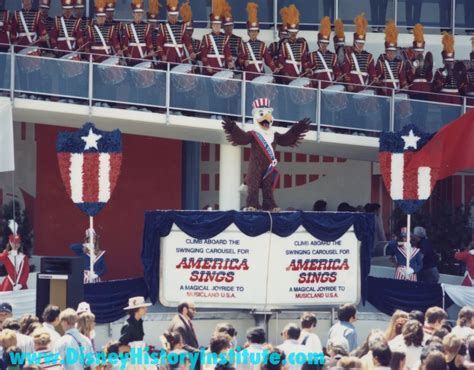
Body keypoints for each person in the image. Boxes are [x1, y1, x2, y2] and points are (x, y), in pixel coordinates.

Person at [238, 3, 278, 81]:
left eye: (255, 31)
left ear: (258, 32)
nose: (253, 33)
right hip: (248, 74)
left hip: (259, 73)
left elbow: (268, 59)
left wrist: (274, 68)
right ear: (248, 33)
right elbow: (240, 59)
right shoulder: (244, 45)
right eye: (251, 31)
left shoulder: (262, 45)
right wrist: (244, 62)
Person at [405, 24, 433, 129]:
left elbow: (429, 78)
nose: (419, 53)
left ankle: (422, 132)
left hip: (424, 90)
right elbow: (408, 78)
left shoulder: (426, 61)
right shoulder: (409, 62)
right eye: (417, 51)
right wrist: (413, 69)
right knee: (415, 113)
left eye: (421, 51)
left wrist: (430, 67)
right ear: (414, 51)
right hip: (415, 90)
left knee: (423, 113)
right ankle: (414, 131)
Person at [432, 32, 462, 125]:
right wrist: (444, 79)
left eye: (451, 62)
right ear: (443, 61)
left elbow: (461, 87)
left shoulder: (458, 71)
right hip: (444, 101)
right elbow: (435, 88)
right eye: (447, 62)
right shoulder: (439, 72)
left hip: (456, 101)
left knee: (455, 124)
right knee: (445, 123)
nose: (449, 64)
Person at [342, 14, 376, 93]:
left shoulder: (369, 56)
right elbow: (346, 71)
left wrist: (374, 78)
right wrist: (349, 84)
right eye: (359, 43)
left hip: (364, 84)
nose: (360, 45)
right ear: (355, 42)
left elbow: (372, 71)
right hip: (353, 85)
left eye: (362, 43)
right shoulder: (349, 55)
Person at [277, 4, 311, 84]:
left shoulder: (302, 44)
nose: (293, 35)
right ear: (288, 33)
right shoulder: (284, 44)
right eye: (291, 33)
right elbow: (281, 61)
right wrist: (284, 72)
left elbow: (304, 59)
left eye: (295, 33)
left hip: (298, 74)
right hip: (287, 75)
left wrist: (306, 68)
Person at [157, 0, 194, 66]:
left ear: (177, 16)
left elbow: (187, 42)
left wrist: (191, 52)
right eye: (171, 15)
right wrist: (162, 55)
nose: (173, 17)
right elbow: (159, 44)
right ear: (168, 15)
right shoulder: (163, 27)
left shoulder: (182, 27)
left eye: (175, 15)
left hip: (179, 57)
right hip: (167, 57)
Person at [375, 21, 407, 97]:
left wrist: (405, 85)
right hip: (384, 92)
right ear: (386, 51)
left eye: (393, 52)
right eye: (389, 52)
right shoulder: (381, 61)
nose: (391, 54)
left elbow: (402, 78)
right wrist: (381, 84)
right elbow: (378, 77)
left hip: (396, 91)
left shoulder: (400, 62)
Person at [200, 1, 233, 76]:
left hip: (221, 68)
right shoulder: (206, 37)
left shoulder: (225, 37)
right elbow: (203, 55)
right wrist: (207, 65)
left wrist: (230, 62)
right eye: (215, 24)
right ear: (211, 25)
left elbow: (227, 53)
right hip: (209, 68)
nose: (217, 26)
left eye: (218, 24)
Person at [309, 16, 341, 89]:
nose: (324, 45)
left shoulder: (333, 56)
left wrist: (338, 75)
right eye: (322, 43)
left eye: (326, 43)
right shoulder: (312, 55)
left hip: (329, 82)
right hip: (317, 83)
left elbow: (336, 69)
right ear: (318, 43)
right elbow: (310, 69)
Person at [0, 221, 30, 292]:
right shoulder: (7, 256)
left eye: (18, 243)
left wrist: (20, 284)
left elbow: (26, 273)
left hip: (21, 286)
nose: (16, 245)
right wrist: (6, 252)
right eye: (14, 243)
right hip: (9, 284)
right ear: (10, 243)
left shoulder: (23, 257)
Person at [222, 1, 241, 69]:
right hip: (222, 67)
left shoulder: (238, 39)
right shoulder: (220, 38)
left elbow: (242, 55)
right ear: (223, 27)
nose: (228, 28)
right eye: (226, 26)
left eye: (230, 25)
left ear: (233, 26)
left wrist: (235, 64)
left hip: (235, 67)